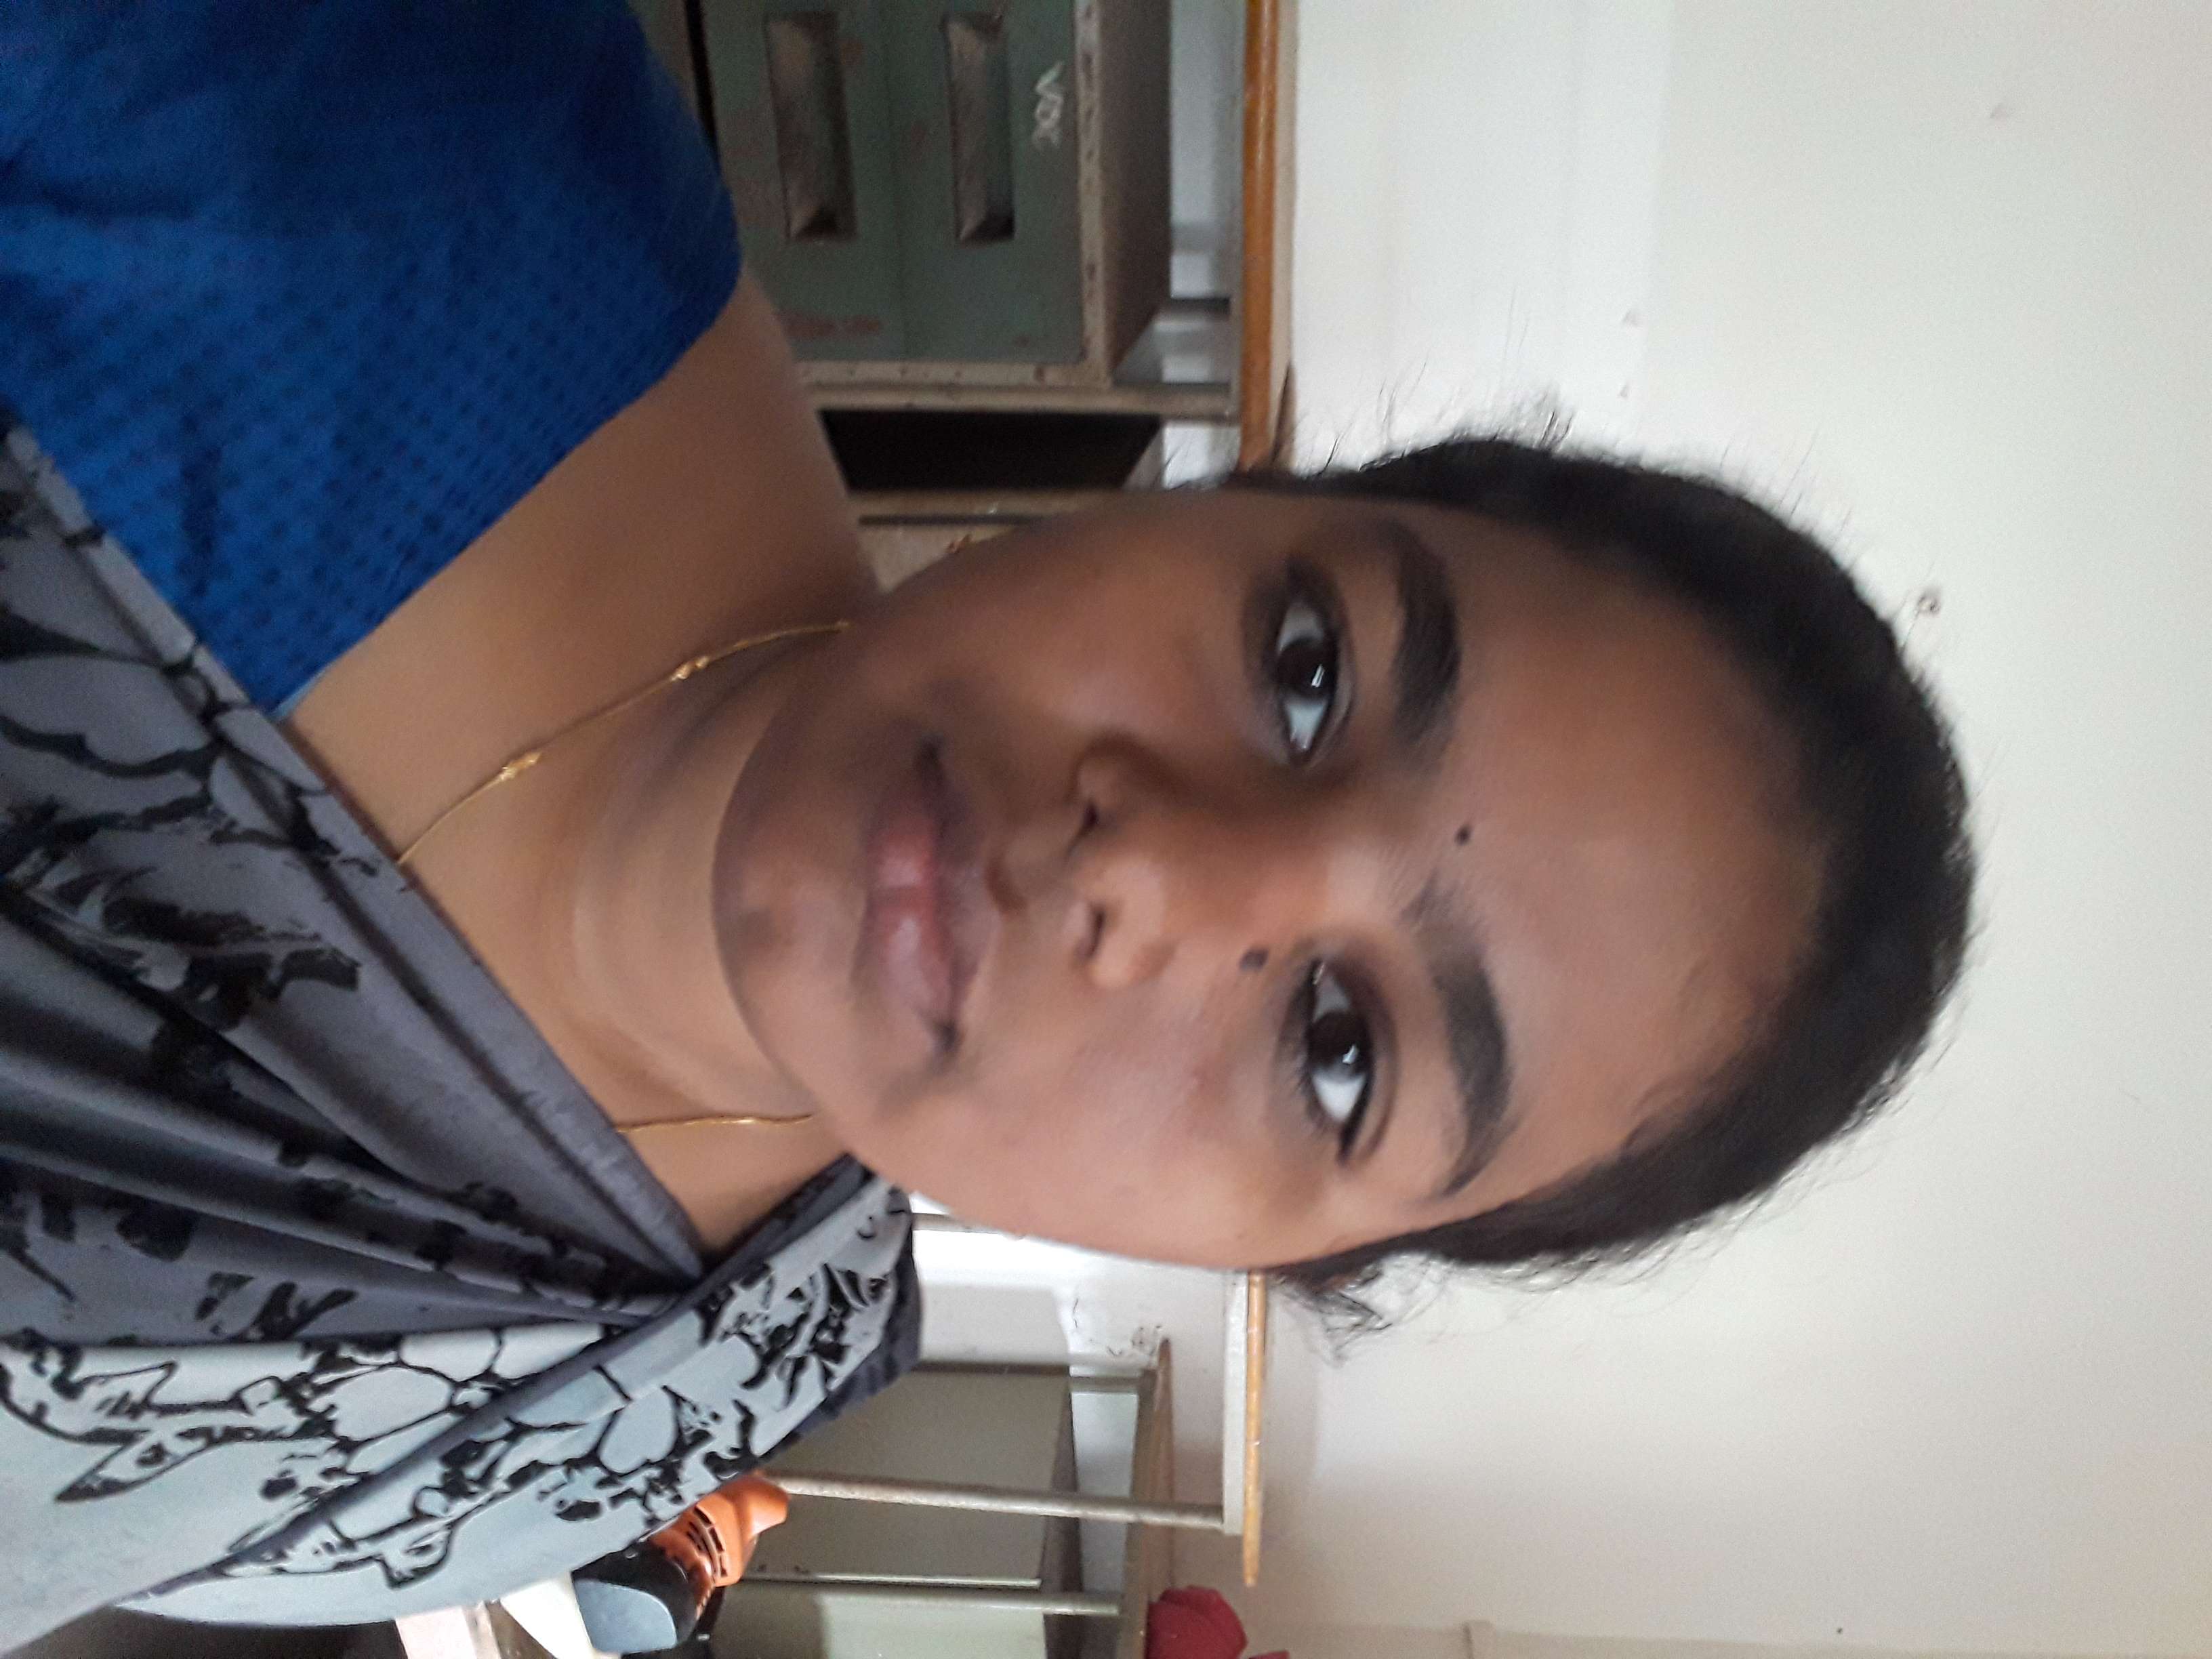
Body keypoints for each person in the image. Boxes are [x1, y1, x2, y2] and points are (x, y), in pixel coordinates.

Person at [0, 0, 1973, 1643]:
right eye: (1305, 670)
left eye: (1341, 1052)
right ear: (1231, 498)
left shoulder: (684, 1389)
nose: (1148, 867)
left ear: (1289, 1261)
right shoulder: (318, 121)